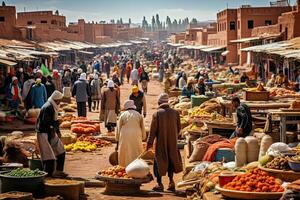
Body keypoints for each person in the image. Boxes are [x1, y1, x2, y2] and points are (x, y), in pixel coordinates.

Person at [146, 93, 183, 192]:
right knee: (171, 160)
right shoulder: (175, 113)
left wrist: (149, 143)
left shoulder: (157, 113)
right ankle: (171, 182)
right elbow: (179, 128)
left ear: (159, 102)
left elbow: (152, 131)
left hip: (160, 143)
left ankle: (159, 183)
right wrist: (174, 136)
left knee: (159, 161)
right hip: (173, 141)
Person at [36, 90, 67, 178]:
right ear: (56, 100)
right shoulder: (48, 107)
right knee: (48, 156)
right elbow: (47, 123)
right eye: (59, 100)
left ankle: (59, 171)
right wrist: (57, 123)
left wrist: (57, 131)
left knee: (61, 151)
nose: (60, 102)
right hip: (43, 133)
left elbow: (52, 123)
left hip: (51, 132)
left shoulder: (53, 106)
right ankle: (48, 176)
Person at [116, 100, 146, 167]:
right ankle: (136, 167)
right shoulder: (138, 114)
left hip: (124, 134)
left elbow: (118, 128)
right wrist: (143, 137)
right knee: (136, 150)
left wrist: (117, 139)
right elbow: (142, 127)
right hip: (136, 134)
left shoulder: (122, 115)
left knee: (125, 150)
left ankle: (124, 167)